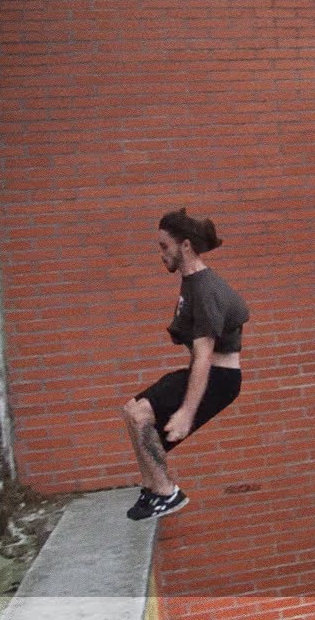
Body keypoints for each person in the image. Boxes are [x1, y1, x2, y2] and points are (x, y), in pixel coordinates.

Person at [120, 208, 249, 520]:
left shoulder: (205, 289)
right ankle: (154, 487)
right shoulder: (192, 282)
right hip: (209, 372)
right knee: (133, 411)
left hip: (219, 377)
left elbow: (204, 355)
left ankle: (166, 493)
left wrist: (186, 413)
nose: (161, 254)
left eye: (166, 247)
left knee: (140, 416)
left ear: (186, 246)